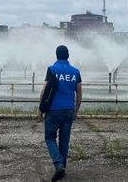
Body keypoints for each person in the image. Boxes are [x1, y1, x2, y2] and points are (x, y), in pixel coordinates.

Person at [40, 45, 82, 181]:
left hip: (53, 110)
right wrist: (76, 110)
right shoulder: (75, 71)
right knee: (64, 140)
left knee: (50, 137)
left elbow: (45, 89)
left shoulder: (52, 69)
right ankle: (62, 166)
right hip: (69, 109)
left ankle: (58, 165)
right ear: (68, 55)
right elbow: (79, 92)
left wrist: (41, 108)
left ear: (56, 55)